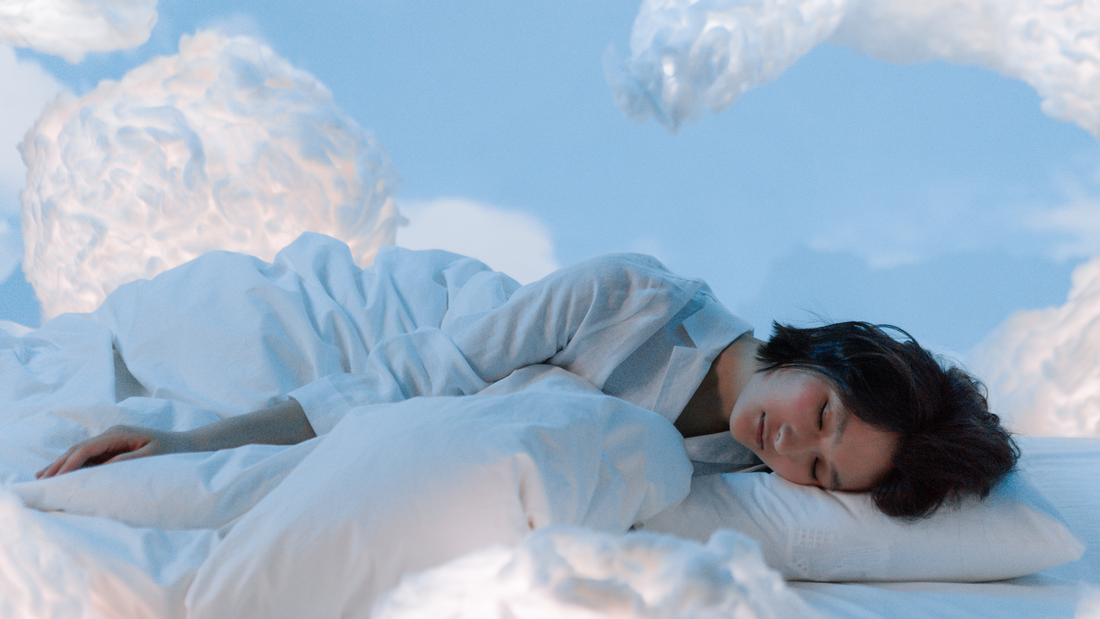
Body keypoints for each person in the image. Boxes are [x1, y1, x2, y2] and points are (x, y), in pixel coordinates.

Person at [35, 244, 1017, 519]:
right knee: (210, 344)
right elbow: (419, 370)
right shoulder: (632, 295)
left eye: (827, 473)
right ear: (827, 357)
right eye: (825, 415)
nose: (791, 449)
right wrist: (196, 443)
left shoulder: (737, 477)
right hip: (410, 337)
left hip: (457, 417)